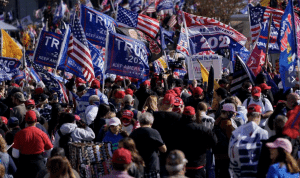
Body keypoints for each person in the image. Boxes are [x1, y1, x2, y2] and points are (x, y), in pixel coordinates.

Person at [173, 106, 217, 178]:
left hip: (182, 166)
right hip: (198, 166)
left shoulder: (175, 129)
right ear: (194, 116)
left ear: (183, 115)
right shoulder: (203, 129)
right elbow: (214, 141)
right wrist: (205, 147)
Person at [228, 104, 268, 178]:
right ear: (259, 116)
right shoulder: (263, 133)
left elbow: (230, 154)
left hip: (240, 174)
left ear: (247, 116)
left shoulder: (236, 132)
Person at [12, 110, 53, 178]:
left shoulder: (19, 134)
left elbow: (15, 155)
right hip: (39, 166)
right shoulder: (42, 133)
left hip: (24, 167)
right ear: (36, 120)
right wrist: (43, 155)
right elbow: (50, 151)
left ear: (25, 121)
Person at [130, 112, 167, 178]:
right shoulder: (153, 132)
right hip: (152, 166)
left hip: (138, 167)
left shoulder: (134, 133)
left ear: (140, 122)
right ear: (151, 123)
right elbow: (163, 149)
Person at [213, 103, 237, 178]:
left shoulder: (218, 120)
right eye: (232, 113)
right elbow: (232, 138)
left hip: (217, 154)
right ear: (227, 112)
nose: (233, 114)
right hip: (226, 155)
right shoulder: (227, 123)